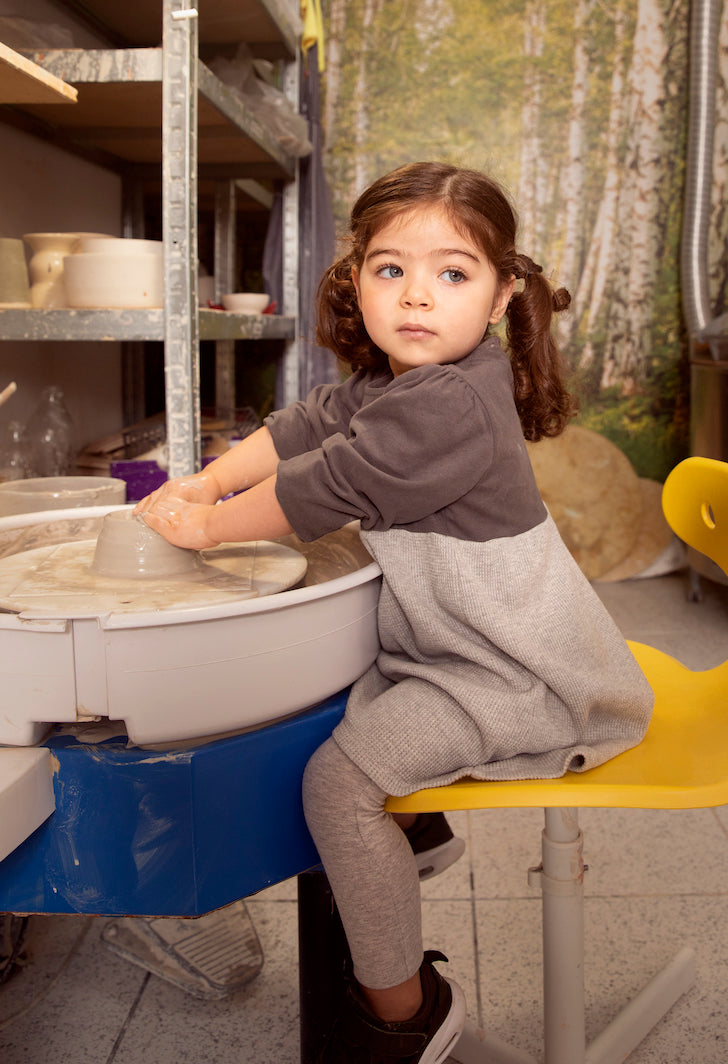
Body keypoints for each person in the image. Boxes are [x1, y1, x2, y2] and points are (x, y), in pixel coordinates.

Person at [139, 162, 655, 1064]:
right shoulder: (405, 381)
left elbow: (327, 482)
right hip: (459, 652)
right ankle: (415, 835)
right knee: (340, 717)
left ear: (501, 296)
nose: (417, 296)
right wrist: (210, 476)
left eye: (452, 273)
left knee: (333, 785)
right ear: (359, 280)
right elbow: (313, 421)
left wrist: (206, 528)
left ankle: (404, 1019)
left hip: (515, 673)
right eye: (391, 270)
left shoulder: (452, 402)